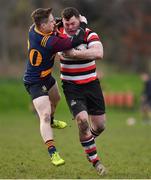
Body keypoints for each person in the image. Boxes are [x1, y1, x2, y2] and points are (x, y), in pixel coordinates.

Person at [23, 8, 87, 166]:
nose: (54, 22)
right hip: (34, 81)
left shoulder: (35, 27)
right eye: (51, 21)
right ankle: (53, 152)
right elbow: (74, 42)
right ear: (43, 25)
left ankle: (51, 121)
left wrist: (62, 21)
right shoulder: (48, 42)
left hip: (46, 76)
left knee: (56, 99)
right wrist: (83, 24)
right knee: (44, 115)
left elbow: (55, 22)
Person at [57, 7, 107, 175]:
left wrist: (76, 54)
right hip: (71, 86)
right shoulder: (58, 35)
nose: (70, 27)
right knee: (82, 121)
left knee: (100, 126)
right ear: (62, 22)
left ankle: (88, 141)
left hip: (92, 84)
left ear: (79, 20)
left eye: (73, 23)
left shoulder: (90, 34)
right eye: (66, 24)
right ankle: (96, 161)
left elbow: (99, 53)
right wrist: (86, 53)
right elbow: (64, 55)